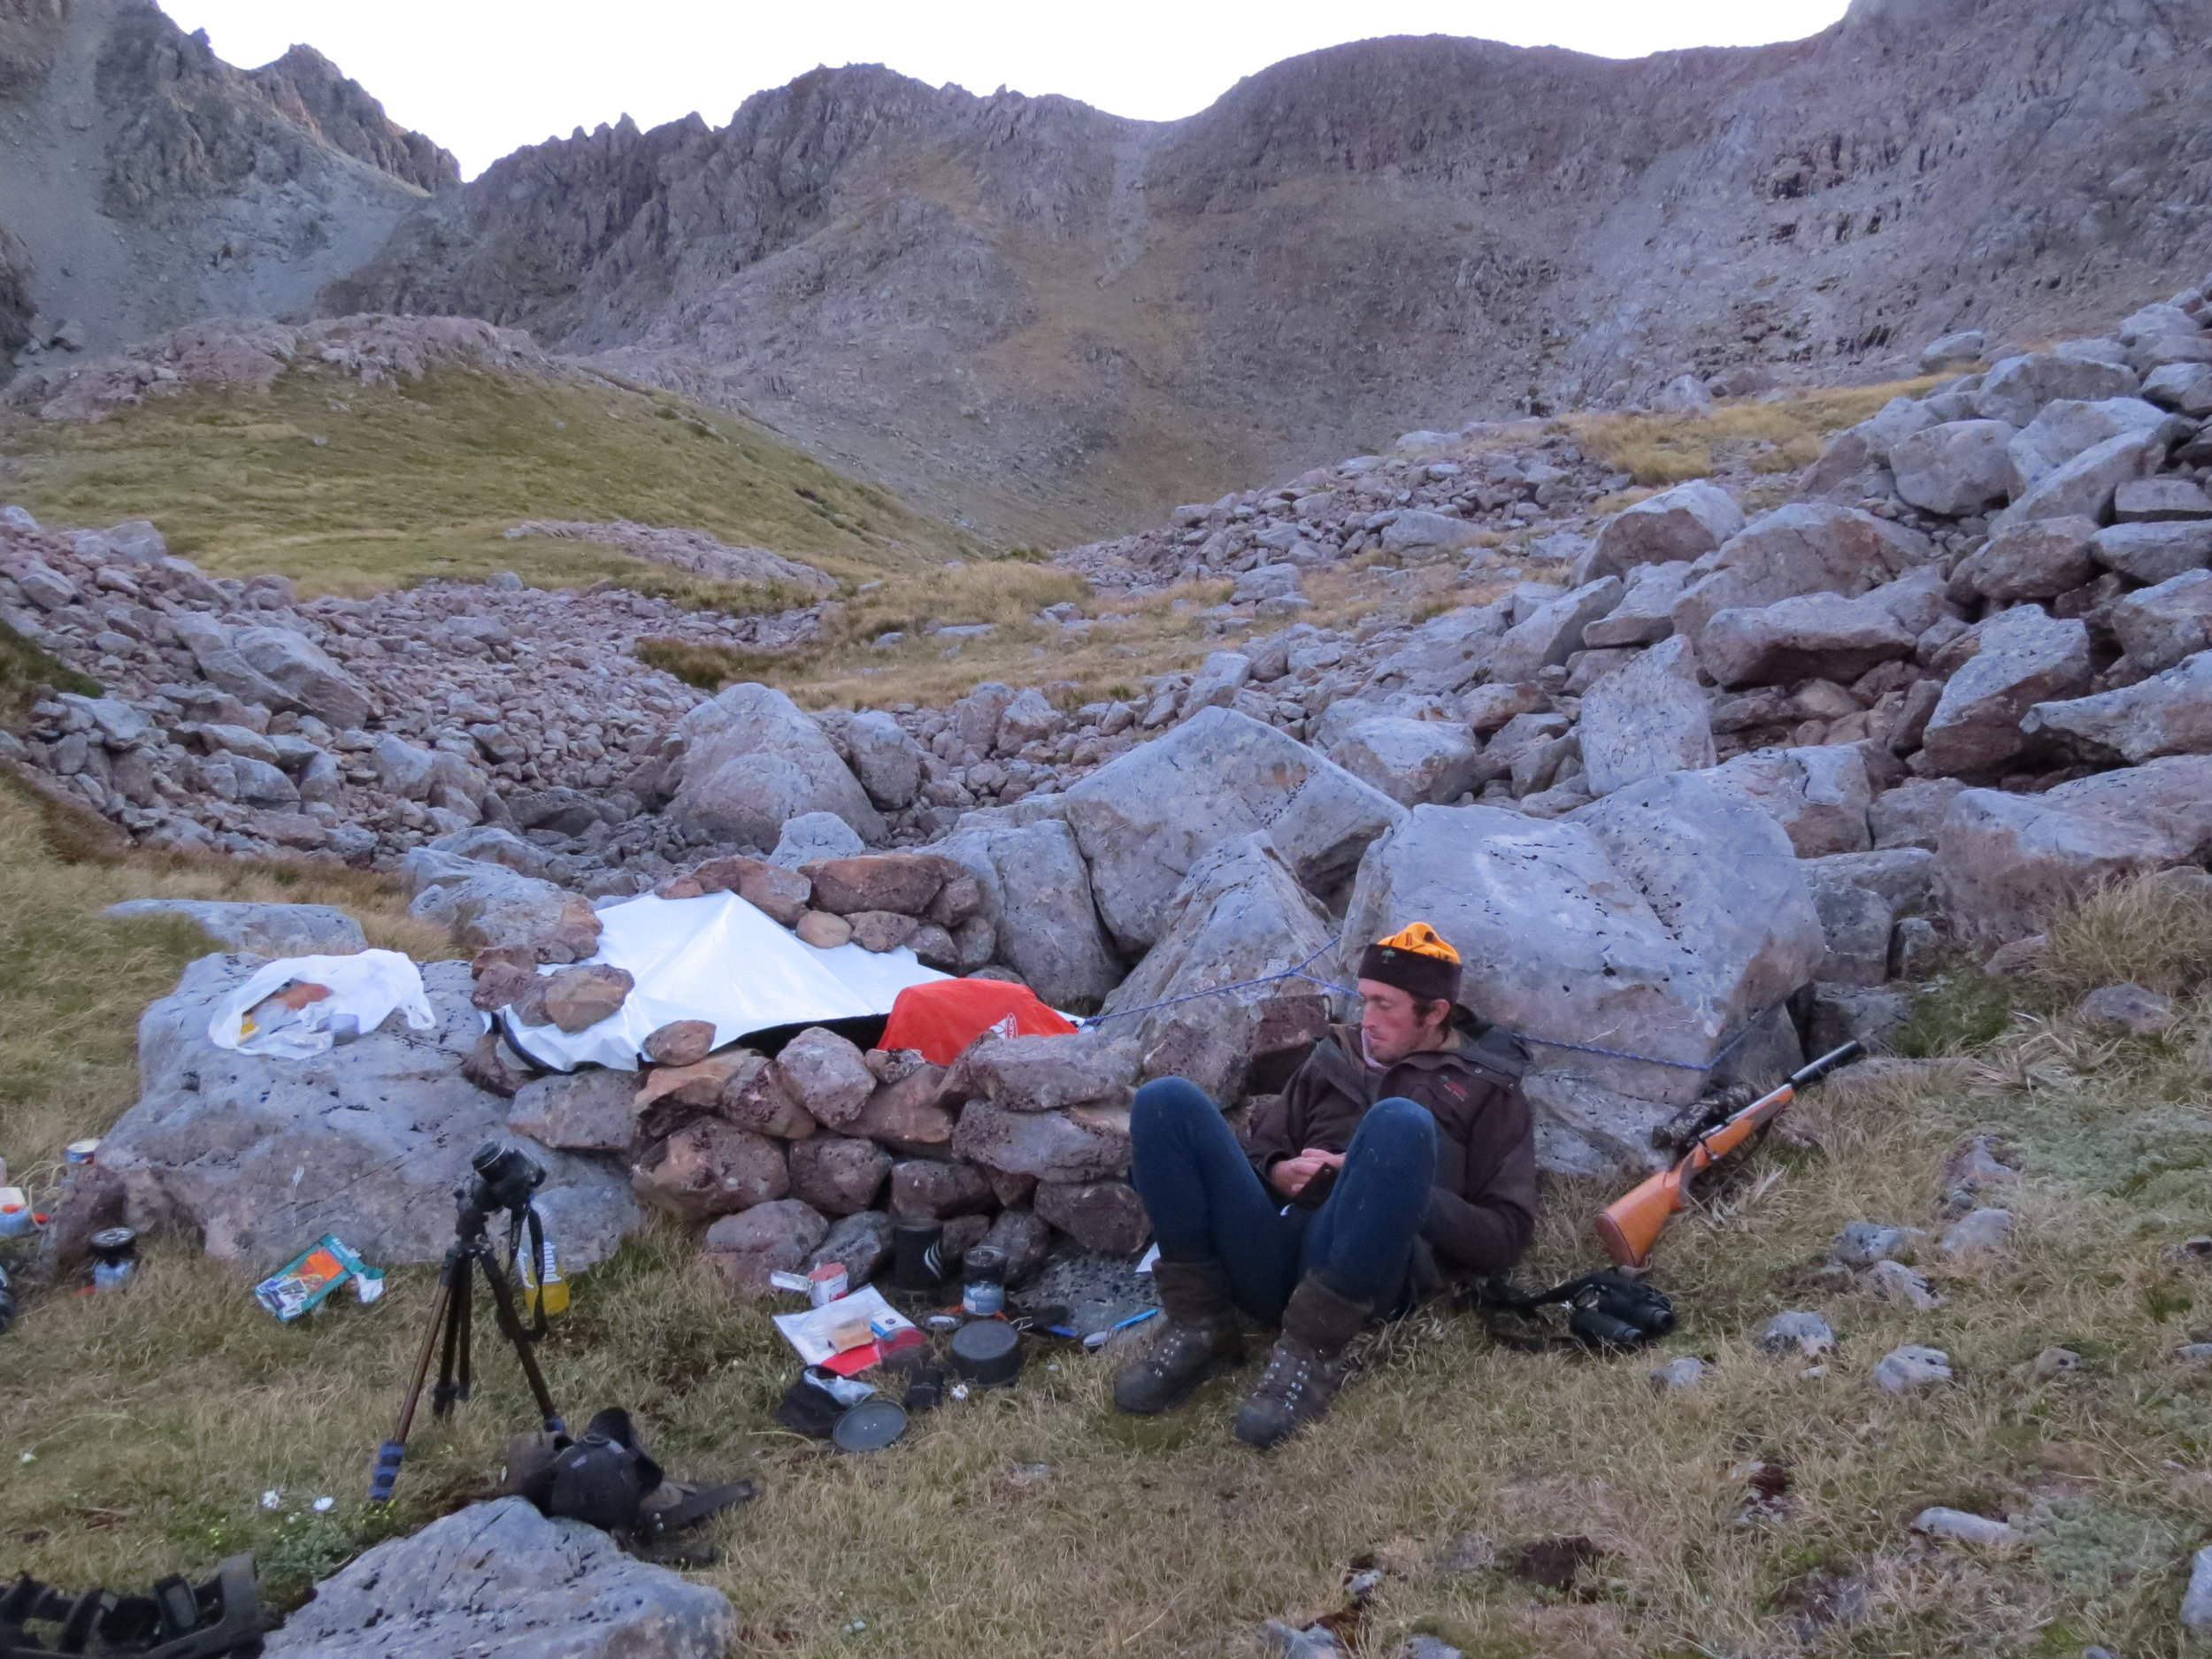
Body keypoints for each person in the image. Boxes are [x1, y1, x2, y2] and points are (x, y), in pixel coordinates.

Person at [1114, 922, 1537, 1448]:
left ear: (1435, 1013)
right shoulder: (1334, 1056)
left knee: (1399, 1125)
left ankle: (1310, 1354)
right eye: (1364, 1001)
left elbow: (1505, 1237)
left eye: (1387, 1006)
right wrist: (1276, 1171)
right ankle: (1200, 1323)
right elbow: (1260, 1151)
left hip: (1364, 1276)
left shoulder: (1487, 1091)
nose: (1368, 1020)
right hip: (1276, 1253)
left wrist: (1383, 1185)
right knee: (1166, 1100)